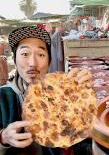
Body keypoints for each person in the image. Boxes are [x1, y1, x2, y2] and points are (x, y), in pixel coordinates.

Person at [0, 26, 92, 154]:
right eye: (25, 54)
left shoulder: (62, 92)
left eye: (41, 54)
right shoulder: (3, 96)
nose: (32, 63)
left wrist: (84, 97)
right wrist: (3, 138)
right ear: (15, 59)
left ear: (49, 61)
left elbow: (81, 135)